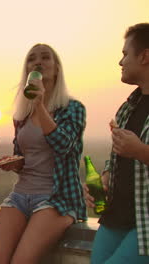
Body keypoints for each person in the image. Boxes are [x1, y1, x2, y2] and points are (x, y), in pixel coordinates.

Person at [0, 44, 87, 264]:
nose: (38, 62)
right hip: (21, 195)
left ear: (57, 68)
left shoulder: (73, 108)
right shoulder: (22, 114)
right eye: (32, 59)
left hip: (56, 197)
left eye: (45, 57)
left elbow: (64, 145)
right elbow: (23, 155)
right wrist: (15, 163)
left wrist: (40, 105)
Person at [84, 23, 149, 263]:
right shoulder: (127, 107)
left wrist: (141, 151)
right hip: (116, 217)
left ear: (145, 56)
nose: (120, 62)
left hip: (145, 225)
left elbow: (137, 153)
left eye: (125, 54)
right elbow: (118, 158)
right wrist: (104, 180)